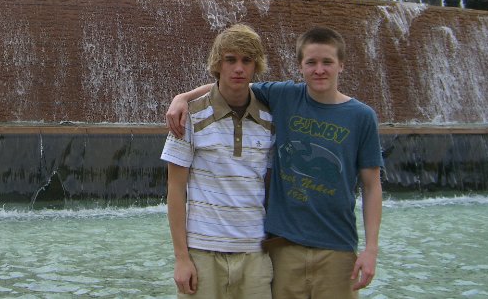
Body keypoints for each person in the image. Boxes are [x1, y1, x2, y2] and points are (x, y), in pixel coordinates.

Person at [166, 26, 383, 299]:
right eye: (311, 62)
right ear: (300, 67)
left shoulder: (355, 116)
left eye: (327, 62)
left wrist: (371, 249)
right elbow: (229, 84)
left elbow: (372, 186)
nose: (319, 70)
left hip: (317, 247)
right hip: (262, 249)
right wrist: (183, 97)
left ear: (341, 65)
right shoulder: (280, 98)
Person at [161, 23, 275, 298]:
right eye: (230, 59)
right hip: (202, 253)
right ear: (218, 64)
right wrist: (181, 258)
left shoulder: (271, 118)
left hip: (254, 253)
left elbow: (271, 187)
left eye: (247, 60)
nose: (238, 68)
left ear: (255, 66)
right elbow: (175, 190)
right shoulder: (188, 116)